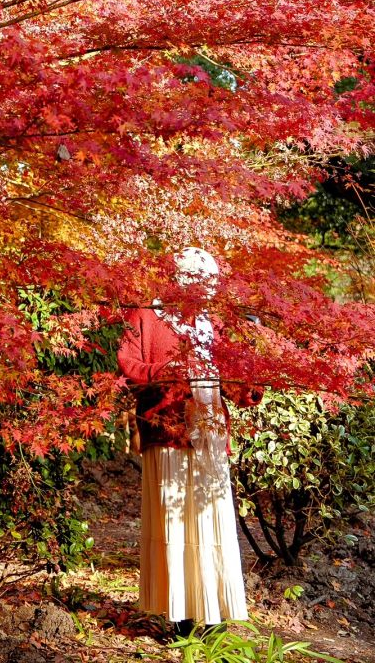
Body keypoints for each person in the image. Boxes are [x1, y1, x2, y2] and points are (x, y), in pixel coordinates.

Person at [117, 247, 260, 631]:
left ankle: (213, 611)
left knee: (211, 516)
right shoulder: (147, 314)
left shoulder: (216, 321)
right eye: (200, 283)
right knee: (174, 519)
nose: (207, 291)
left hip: (210, 429)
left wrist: (250, 380)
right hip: (166, 429)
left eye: (211, 284)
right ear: (179, 280)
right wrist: (167, 369)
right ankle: (179, 614)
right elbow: (128, 365)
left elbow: (236, 380)